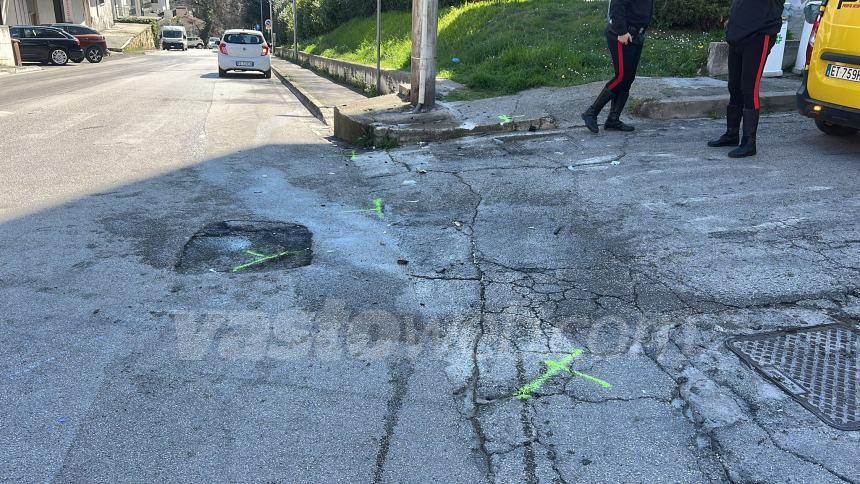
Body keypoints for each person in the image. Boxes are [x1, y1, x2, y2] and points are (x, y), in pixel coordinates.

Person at [708, 0, 784, 158]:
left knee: (749, 88)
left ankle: (749, 143)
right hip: (738, 33)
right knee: (734, 86)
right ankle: (731, 134)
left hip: (759, 34)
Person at [582, 0, 655, 134]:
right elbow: (617, 5)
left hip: (636, 35)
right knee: (622, 77)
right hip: (621, 34)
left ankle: (613, 119)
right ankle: (591, 113)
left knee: (628, 78)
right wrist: (621, 31)